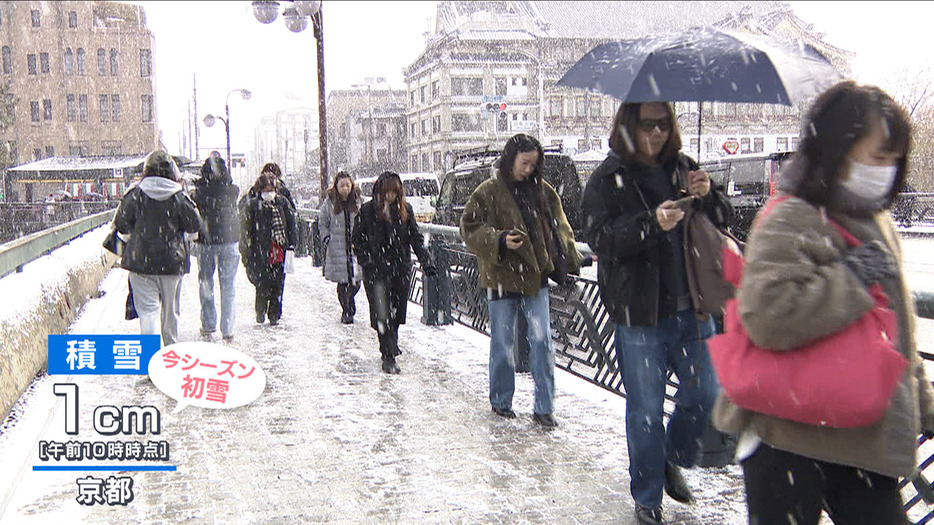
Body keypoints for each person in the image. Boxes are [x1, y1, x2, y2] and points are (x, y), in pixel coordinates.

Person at [712, 81, 934, 525]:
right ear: (836, 150)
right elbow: (767, 316)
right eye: (877, 157)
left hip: (860, 436)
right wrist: (852, 277)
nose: (886, 171)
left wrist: (922, 403)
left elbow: (897, 330)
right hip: (790, 434)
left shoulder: (874, 220)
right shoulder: (792, 215)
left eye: (894, 161)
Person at [581, 102, 731, 524]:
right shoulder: (608, 178)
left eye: (664, 124)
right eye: (649, 125)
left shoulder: (684, 168)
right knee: (644, 411)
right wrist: (650, 223)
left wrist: (710, 193)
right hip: (639, 315)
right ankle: (648, 497)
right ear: (630, 126)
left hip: (693, 307)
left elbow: (723, 220)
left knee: (706, 394)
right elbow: (598, 238)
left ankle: (672, 454)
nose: (658, 133)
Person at [460, 133, 582, 428]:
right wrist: (499, 240)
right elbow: (468, 227)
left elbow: (561, 226)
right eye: (524, 163)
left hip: (535, 276)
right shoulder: (489, 191)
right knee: (502, 343)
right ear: (510, 159)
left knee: (542, 341)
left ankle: (544, 407)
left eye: (533, 164)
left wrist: (572, 257)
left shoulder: (543, 191)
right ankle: (501, 401)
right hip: (501, 276)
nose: (528, 169)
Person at [113, 150, 202, 347]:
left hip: (141, 264)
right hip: (172, 264)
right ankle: (171, 356)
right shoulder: (179, 197)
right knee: (170, 315)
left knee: (148, 314)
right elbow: (195, 226)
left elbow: (121, 226)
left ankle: (150, 362)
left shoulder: (135, 195)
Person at [351, 171, 434, 374]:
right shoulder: (368, 211)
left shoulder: (405, 211)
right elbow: (357, 238)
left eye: (394, 192)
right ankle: (387, 354)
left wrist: (426, 261)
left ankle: (391, 343)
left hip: (400, 269)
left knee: (396, 312)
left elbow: (415, 237)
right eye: (387, 192)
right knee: (382, 313)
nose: (390, 196)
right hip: (377, 271)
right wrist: (367, 260)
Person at [191, 155, 240, 342]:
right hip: (229, 240)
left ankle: (208, 324)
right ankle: (227, 328)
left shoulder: (200, 192)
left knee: (206, 283)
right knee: (228, 286)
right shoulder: (232, 191)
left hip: (207, 241)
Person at [239, 172, 297, 326]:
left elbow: (291, 225)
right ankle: (260, 310)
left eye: (271, 189)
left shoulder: (282, 203)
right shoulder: (252, 206)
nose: (269, 193)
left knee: (278, 284)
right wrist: (247, 252)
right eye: (265, 190)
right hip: (260, 251)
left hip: (279, 249)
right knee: (262, 283)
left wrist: (291, 244)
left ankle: (275, 314)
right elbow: (246, 230)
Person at [318, 171, 362, 324]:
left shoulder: (357, 201)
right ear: (336, 186)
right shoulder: (330, 202)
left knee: (356, 281)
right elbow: (322, 222)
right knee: (342, 282)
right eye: (342, 185)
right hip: (337, 247)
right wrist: (327, 239)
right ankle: (347, 310)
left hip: (355, 247)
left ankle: (349, 304)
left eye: (347, 185)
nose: (345, 188)